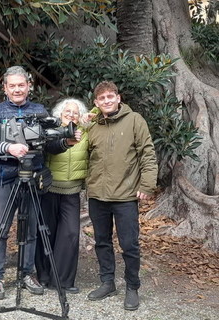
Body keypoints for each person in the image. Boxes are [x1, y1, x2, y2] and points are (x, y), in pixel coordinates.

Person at [0, 66, 80, 300]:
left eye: (21, 85)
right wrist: (8, 147)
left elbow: (50, 145)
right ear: (5, 88)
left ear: (28, 86)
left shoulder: (39, 110)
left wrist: (66, 141)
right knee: (1, 227)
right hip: (5, 177)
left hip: (34, 177)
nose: (17, 89)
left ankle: (26, 273)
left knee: (31, 229)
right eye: (12, 86)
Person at [86, 81, 158, 311]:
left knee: (129, 244)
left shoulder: (135, 120)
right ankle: (107, 282)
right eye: (102, 98)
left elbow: (147, 153)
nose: (107, 100)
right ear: (96, 103)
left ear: (118, 98)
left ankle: (132, 287)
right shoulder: (93, 125)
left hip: (125, 195)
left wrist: (147, 185)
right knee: (102, 242)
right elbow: (82, 154)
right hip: (98, 194)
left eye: (110, 96)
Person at [35, 98, 88, 294]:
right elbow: (51, 148)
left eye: (75, 112)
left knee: (71, 234)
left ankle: (63, 281)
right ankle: (44, 276)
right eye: (68, 112)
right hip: (49, 189)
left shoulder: (86, 132)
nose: (71, 115)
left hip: (72, 191)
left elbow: (100, 112)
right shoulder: (51, 130)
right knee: (46, 232)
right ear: (60, 114)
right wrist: (66, 141)